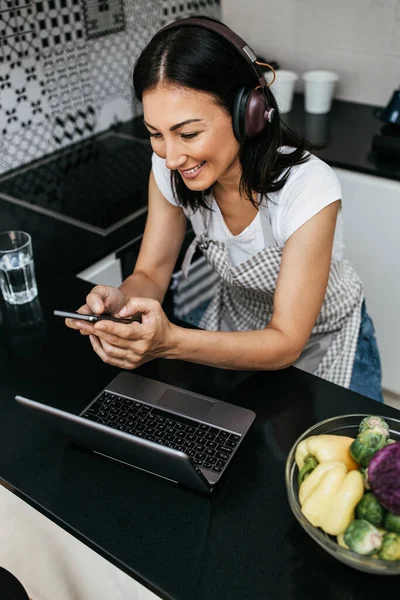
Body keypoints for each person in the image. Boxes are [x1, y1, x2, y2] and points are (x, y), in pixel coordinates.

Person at [66, 16, 383, 402]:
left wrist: (169, 342)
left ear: (247, 113)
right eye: (155, 134)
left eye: (188, 133)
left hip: (324, 339)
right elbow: (151, 271)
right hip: (235, 332)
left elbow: (285, 342)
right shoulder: (172, 169)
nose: (171, 157)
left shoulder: (308, 187)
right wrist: (121, 302)